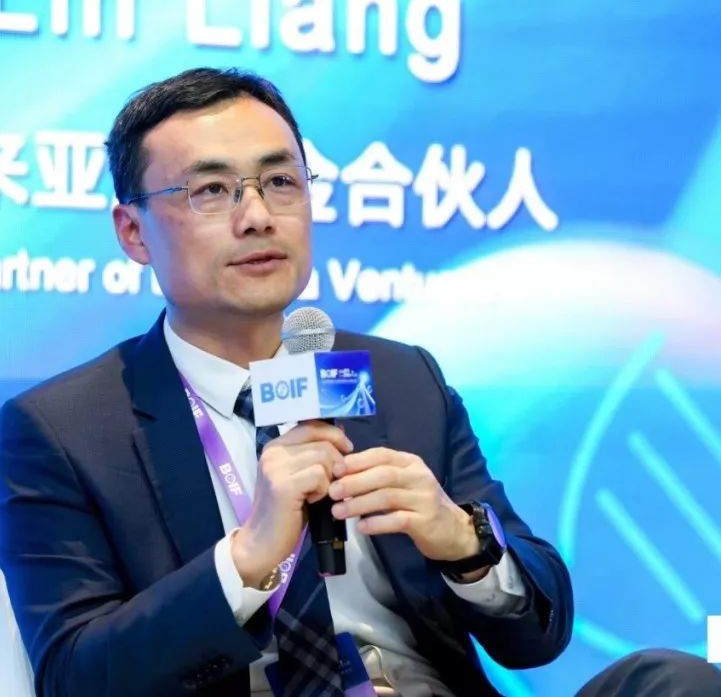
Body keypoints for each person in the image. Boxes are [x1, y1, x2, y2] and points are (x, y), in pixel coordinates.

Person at [0, 67, 718, 697]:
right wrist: (247, 558)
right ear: (132, 231)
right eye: (212, 190)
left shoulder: (402, 380)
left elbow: (539, 633)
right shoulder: (66, 429)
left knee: (670, 680)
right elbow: (75, 676)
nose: (258, 216)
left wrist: (461, 541)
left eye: (281, 182)